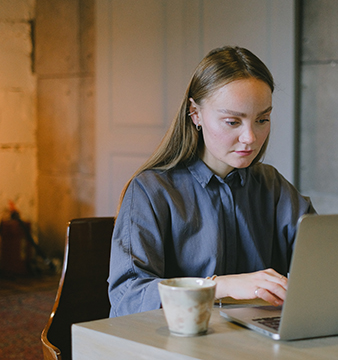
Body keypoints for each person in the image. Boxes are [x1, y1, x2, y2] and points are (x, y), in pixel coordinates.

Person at [108, 46, 315, 317]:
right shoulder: (151, 191)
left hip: (251, 341)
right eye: (232, 122)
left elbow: (322, 262)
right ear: (195, 114)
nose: (250, 137)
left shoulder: (272, 186)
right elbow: (128, 296)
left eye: (262, 119)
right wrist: (219, 286)